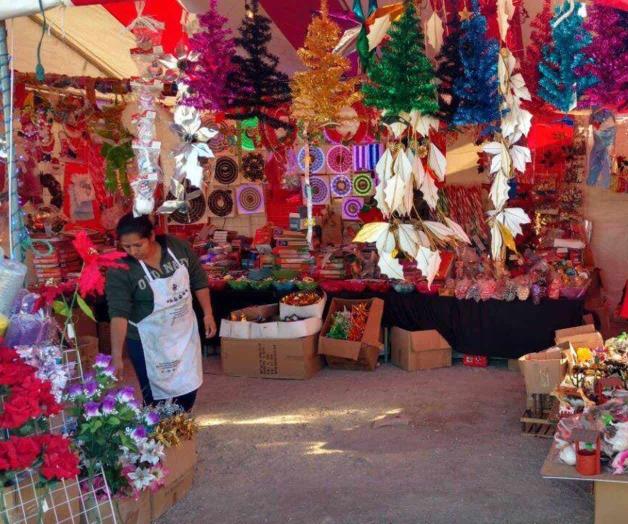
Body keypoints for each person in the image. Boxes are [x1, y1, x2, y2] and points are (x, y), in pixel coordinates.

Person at [105, 213, 216, 412]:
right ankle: (160, 436)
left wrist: (208, 313)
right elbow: (118, 313)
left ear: (152, 236)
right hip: (148, 341)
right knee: (156, 398)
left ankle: (178, 431)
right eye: (126, 246)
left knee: (188, 387)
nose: (132, 251)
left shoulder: (177, 247)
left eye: (138, 245)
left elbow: (198, 279)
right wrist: (116, 355)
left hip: (183, 333)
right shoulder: (120, 269)